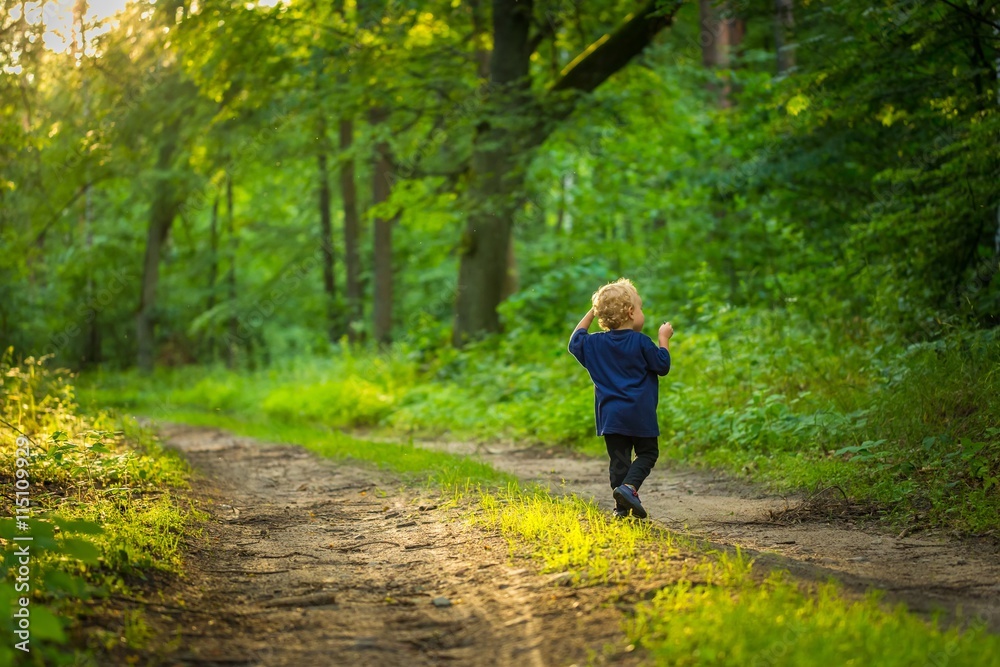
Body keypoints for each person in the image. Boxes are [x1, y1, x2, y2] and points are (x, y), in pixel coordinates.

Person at [567, 278, 673, 519]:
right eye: (641, 307)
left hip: (611, 416)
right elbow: (662, 365)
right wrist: (664, 338)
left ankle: (621, 508)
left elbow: (574, 342)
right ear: (631, 312)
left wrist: (593, 311)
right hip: (640, 413)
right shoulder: (641, 342)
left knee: (619, 461)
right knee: (647, 453)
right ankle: (630, 489)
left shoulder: (594, 344)